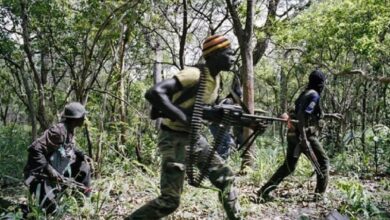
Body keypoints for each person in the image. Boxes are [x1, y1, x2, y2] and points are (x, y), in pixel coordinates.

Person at [126, 35, 240, 220]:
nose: (233, 59)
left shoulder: (215, 78)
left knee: (226, 178)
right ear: (215, 55)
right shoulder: (194, 74)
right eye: (229, 54)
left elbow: (198, 108)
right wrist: (184, 117)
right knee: (170, 201)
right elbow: (154, 93)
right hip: (173, 139)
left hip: (194, 138)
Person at [256, 70, 329, 202]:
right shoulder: (314, 95)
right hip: (304, 135)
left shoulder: (305, 93)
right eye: (323, 83)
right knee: (323, 162)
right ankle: (319, 197)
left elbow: (304, 113)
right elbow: (301, 115)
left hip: (293, 134)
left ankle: (263, 191)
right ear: (320, 83)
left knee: (289, 166)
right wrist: (305, 140)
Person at [23, 102, 92, 214]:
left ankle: (83, 203)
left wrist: (81, 154)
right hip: (40, 176)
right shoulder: (58, 131)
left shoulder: (70, 130)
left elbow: (68, 147)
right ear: (75, 119)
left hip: (59, 170)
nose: (84, 119)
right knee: (52, 211)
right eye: (83, 117)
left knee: (83, 166)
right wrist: (50, 171)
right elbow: (35, 149)